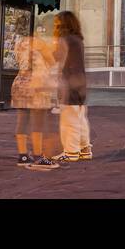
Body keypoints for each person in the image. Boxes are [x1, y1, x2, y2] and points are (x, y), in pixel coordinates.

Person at [10, 31, 57, 169]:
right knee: (38, 123)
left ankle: (23, 156)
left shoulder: (20, 44)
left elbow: (20, 62)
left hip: (19, 84)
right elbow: (52, 62)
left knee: (22, 121)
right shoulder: (40, 44)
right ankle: (38, 157)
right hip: (36, 86)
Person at [52, 11, 91, 162]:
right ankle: (84, 149)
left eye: (57, 23)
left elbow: (56, 58)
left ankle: (71, 151)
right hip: (80, 83)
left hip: (69, 84)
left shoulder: (65, 39)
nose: (55, 26)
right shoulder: (78, 39)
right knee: (80, 118)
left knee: (69, 120)